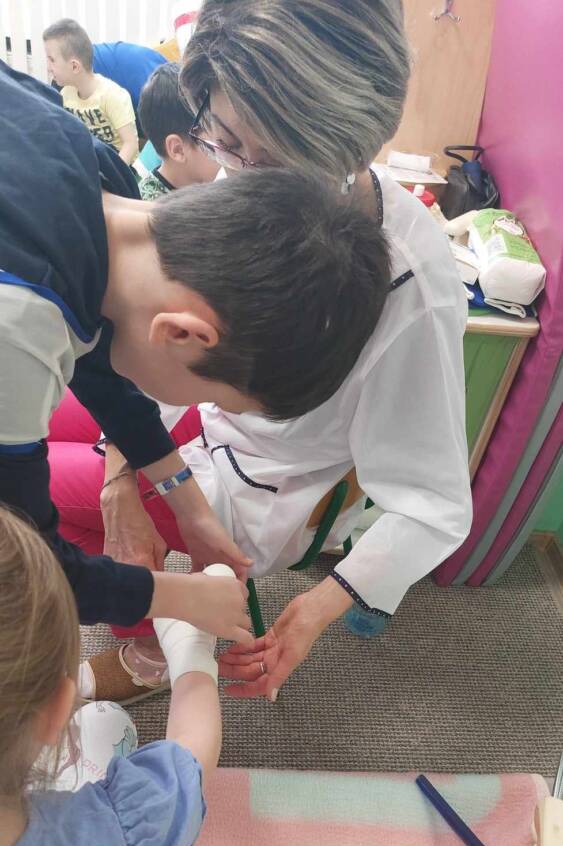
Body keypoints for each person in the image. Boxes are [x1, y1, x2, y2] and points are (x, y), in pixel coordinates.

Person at [75, 0, 473, 703]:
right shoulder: (251, 173)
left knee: (49, 486)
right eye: (221, 140)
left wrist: (314, 610)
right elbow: (159, 346)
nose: (234, 170)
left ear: (336, 141)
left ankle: (154, 649)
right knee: (67, 431)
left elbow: (434, 505)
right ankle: (149, 609)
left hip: (259, 480)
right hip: (191, 402)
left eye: (256, 153)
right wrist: (119, 475)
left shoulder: (412, 287)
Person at [0, 61, 389, 655]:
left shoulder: (95, 171)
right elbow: (21, 570)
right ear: (185, 334)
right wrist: (175, 596)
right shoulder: (21, 324)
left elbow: (100, 350)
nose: (202, 406)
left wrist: (190, 509)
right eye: (211, 395)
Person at [0, 505, 224, 846]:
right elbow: (190, 755)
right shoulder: (109, 842)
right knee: (106, 722)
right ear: (57, 708)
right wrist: (191, 650)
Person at [43, 19, 139, 164]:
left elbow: (130, 145)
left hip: (119, 166)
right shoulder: (65, 95)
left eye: (52, 60)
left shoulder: (113, 96)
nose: (48, 68)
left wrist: (112, 175)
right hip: (91, 163)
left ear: (75, 67)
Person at [137, 61, 217, 200]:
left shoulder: (202, 182)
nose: (230, 151)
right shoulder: (153, 209)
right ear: (178, 150)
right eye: (221, 141)